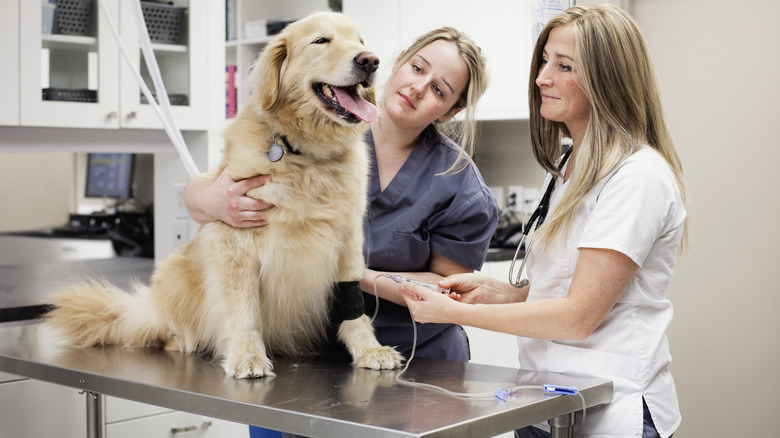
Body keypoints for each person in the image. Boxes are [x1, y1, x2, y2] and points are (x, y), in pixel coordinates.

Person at [184, 26, 498, 438]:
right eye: (417, 67)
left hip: (414, 366)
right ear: (398, 60)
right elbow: (209, 191)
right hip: (306, 356)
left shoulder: (460, 183)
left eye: (439, 90)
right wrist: (209, 202)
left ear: (449, 112)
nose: (419, 88)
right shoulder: (312, 127)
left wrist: (347, 275)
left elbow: (450, 289)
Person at [398, 5, 687, 438]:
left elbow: (578, 317)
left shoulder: (637, 176)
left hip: (611, 410)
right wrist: (504, 294)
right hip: (544, 401)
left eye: (564, 65)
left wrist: (453, 312)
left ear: (607, 79)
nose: (541, 78)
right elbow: (569, 286)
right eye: (545, 60)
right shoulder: (571, 164)